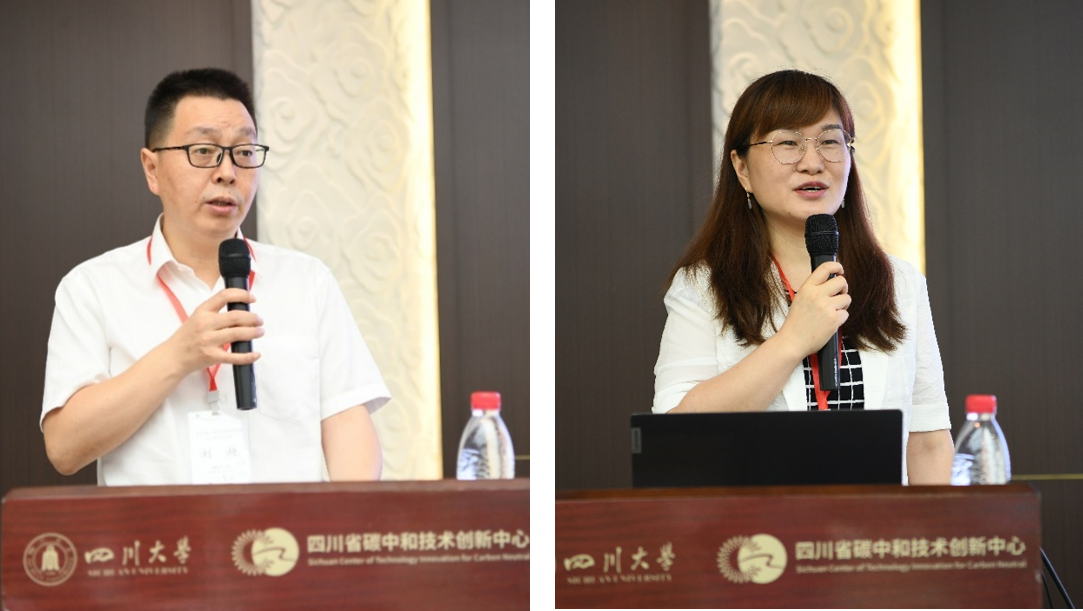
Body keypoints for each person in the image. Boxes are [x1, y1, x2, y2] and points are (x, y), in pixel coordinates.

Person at [41, 68, 390, 485]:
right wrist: (178, 356)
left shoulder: (308, 282)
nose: (227, 172)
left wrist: (343, 521)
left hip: (281, 528)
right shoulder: (93, 288)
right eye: (204, 151)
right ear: (152, 168)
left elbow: (349, 429)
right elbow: (64, 448)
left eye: (243, 152)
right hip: (156, 529)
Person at [652, 69, 953, 484]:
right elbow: (674, 436)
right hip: (756, 525)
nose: (812, 163)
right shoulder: (704, 286)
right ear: (741, 168)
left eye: (830, 142)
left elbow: (928, 441)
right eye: (787, 143)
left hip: (874, 522)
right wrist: (792, 341)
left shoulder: (899, 282)